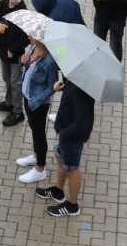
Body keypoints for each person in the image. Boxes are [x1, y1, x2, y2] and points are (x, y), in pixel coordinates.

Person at [35, 75, 95, 218]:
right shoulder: (77, 81)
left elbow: (83, 123)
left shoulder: (81, 91)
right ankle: (58, 191)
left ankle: (72, 205)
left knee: (72, 169)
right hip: (66, 134)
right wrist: (63, 88)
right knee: (60, 159)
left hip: (72, 138)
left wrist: (65, 134)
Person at [16, 35, 59, 185]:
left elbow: (52, 87)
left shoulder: (50, 61)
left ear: (42, 38)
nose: (29, 36)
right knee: (33, 127)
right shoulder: (33, 48)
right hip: (27, 96)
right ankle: (35, 155)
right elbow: (26, 69)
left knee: (39, 133)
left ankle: (40, 169)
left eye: (33, 35)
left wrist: (36, 101)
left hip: (38, 103)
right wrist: (23, 61)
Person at [0, 0, 29, 126]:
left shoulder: (23, 12)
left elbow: (26, 37)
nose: (19, 0)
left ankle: (18, 111)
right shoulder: (1, 5)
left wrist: (13, 50)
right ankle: (9, 103)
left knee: (15, 83)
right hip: (2, 49)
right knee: (6, 78)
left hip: (16, 54)